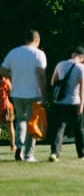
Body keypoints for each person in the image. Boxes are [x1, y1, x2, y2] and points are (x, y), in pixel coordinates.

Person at [1, 29, 47, 162]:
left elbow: (2, 70)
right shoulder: (39, 54)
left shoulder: (14, 52)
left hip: (17, 93)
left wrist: (12, 77)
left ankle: (19, 146)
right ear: (37, 40)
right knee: (32, 122)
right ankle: (28, 154)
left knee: (21, 120)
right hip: (33, 92)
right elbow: (41, 75)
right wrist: (44, 94)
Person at [49, 46, 84, 162]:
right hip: (74, 101)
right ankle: (82, 153)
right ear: (82, 57)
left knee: (59, 128)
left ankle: (55, 153)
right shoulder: (82, 68)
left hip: (60, 101)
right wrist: (82, 104)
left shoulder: (60, 64)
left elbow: (53, 81)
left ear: (73, 54)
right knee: (79, 129)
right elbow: (83, 87)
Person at [1, 74, 15, 152]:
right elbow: (11, 93)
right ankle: (13, 146)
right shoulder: (6, 81)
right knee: (10, 127)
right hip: (7, 107)